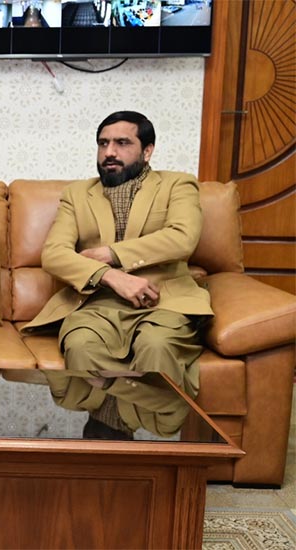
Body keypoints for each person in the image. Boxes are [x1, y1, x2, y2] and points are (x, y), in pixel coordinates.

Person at [21, 111, 213, 439]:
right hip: (97, 303)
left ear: (147, 150)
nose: (109, 151)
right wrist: (111, 276)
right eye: (103, 143)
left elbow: (183, 236)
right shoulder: (77, 194)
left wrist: (113, 254)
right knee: (81, 346)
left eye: (122, 143)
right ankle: (129, 427)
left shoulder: (177, 185)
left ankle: (148, 435)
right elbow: (54, 253)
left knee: (156, 346)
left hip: (163, 300)